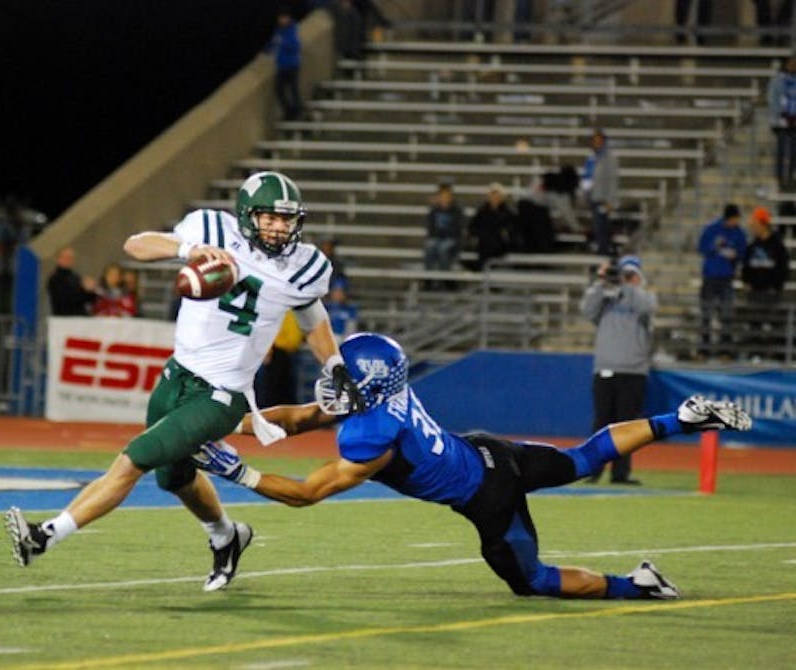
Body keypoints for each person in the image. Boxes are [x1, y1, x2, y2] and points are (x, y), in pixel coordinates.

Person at [4, 171, 365, 592]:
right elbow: (135, 244)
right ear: (248, 216)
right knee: (174, 478)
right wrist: (190, 249)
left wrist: (334, 363)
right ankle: (227, 537)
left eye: (286, 220)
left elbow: (312, 315)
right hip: (176, 375)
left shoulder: (305, 266)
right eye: (269, 218)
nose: (279, 228)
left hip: (221, 395)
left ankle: (43, 536)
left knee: (134, 459)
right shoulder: (212, 229)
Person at [192, 332, 752, 601]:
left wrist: (232, 469)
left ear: (367, 387)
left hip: (487, 494)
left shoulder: (371, 434)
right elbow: (297, 418)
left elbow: (307, 492)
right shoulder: (379, 399)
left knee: (531, 581)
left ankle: (641, 588)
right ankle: (679, 418)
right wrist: (220, 421)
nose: (335, 387)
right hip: (489, 450)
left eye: (345, 380)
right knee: (583, 457)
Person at [579, 255, 657, 485]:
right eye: (624, 274)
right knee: (601, 423)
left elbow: (647, 307)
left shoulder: (644, 298)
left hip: (633, 372)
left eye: (631, 275)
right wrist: (601, 282)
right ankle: (592, 470)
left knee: (627, 425)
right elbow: (586, 309)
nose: (626, 279)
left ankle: (620, 473)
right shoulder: (605, 299)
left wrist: (626, 285)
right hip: (605, 368)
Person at [741, 206, 791, 358]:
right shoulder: (752, 245)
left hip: (771, 291)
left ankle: (777, 355)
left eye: (755, 223)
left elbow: (783, 267)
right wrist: (747, 281)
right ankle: (756, 354)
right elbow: (746, 266)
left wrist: (777, 286)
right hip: (755, 291)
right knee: (754, 324)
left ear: (762, 224)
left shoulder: (777, 245)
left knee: (775, 323)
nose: (753, 227)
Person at [698, 204, 747, 358]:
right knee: (707, 313)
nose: (735, 222)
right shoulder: (711, 229)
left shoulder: (739, 232)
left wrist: (735, 255)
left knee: (726, 313)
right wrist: (714, 247)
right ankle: (704, 349)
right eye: (734, 219)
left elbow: (743, 252)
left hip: (726, 277)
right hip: (710, 276)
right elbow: (701, 248)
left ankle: (725, 349)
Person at [581, 129, 620, 255]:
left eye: (598, 141)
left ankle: (604, 253)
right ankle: (601, 251)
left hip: (603, 198)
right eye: (594, 141)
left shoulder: (609, 158)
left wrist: (610, 201)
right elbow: (588, 176)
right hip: (593, 197)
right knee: (598, 228)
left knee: (602, 228)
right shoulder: (592, 157)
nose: (596, 143)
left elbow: (612, 180)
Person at [423, 183, 466, 287]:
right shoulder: (434, 210)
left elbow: (458, 229)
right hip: (438, 238)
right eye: (442, 195)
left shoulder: (457, 210)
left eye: (446, 195)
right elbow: (431, 228)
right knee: (429, 246)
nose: (444, 198)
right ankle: (428, 279)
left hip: (452, 239)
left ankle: (446, 278)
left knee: (443, 248)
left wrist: (444, 235)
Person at [468, 183, 516, 270]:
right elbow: (472, 227)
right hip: (484, 243)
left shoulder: (507, 212)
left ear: (501, 197)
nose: (494, 197)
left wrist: (506, 234)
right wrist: (478, 235)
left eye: (497, 195)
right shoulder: (482, 211)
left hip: (500, 244)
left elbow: (512, 228)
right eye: (492, 195)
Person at [266, 9, 302, 121]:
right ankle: (289, 111)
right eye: (281, 17)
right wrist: (267, 50)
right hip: (281, 66)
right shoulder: (278, 31)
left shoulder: (292, 29)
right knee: (279, 89)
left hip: (292, 65)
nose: (282, 20)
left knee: (293, 89)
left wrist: (283, 43)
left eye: (284, 17)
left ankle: (297, 111)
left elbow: (296, 46)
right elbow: (272, 45)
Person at [766, 57, 796, 190]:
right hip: (781, 121)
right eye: (791, 63)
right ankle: (780, 178)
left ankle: (791, 176)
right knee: (782, 151)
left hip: (794, 122)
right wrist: (783, 114)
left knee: (794, 151)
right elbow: (772, 99)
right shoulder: (778, 80)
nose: (793, 66)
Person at [47, 247, 96, 316]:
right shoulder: (54, 279)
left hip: (80, 320)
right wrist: (84, 290)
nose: (69, 260)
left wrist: (91, 290)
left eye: (71, 258)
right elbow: (66, 300)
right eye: (66, 257)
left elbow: (90, 300)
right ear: (58, 259)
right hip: (65, 320)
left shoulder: (77, 277)